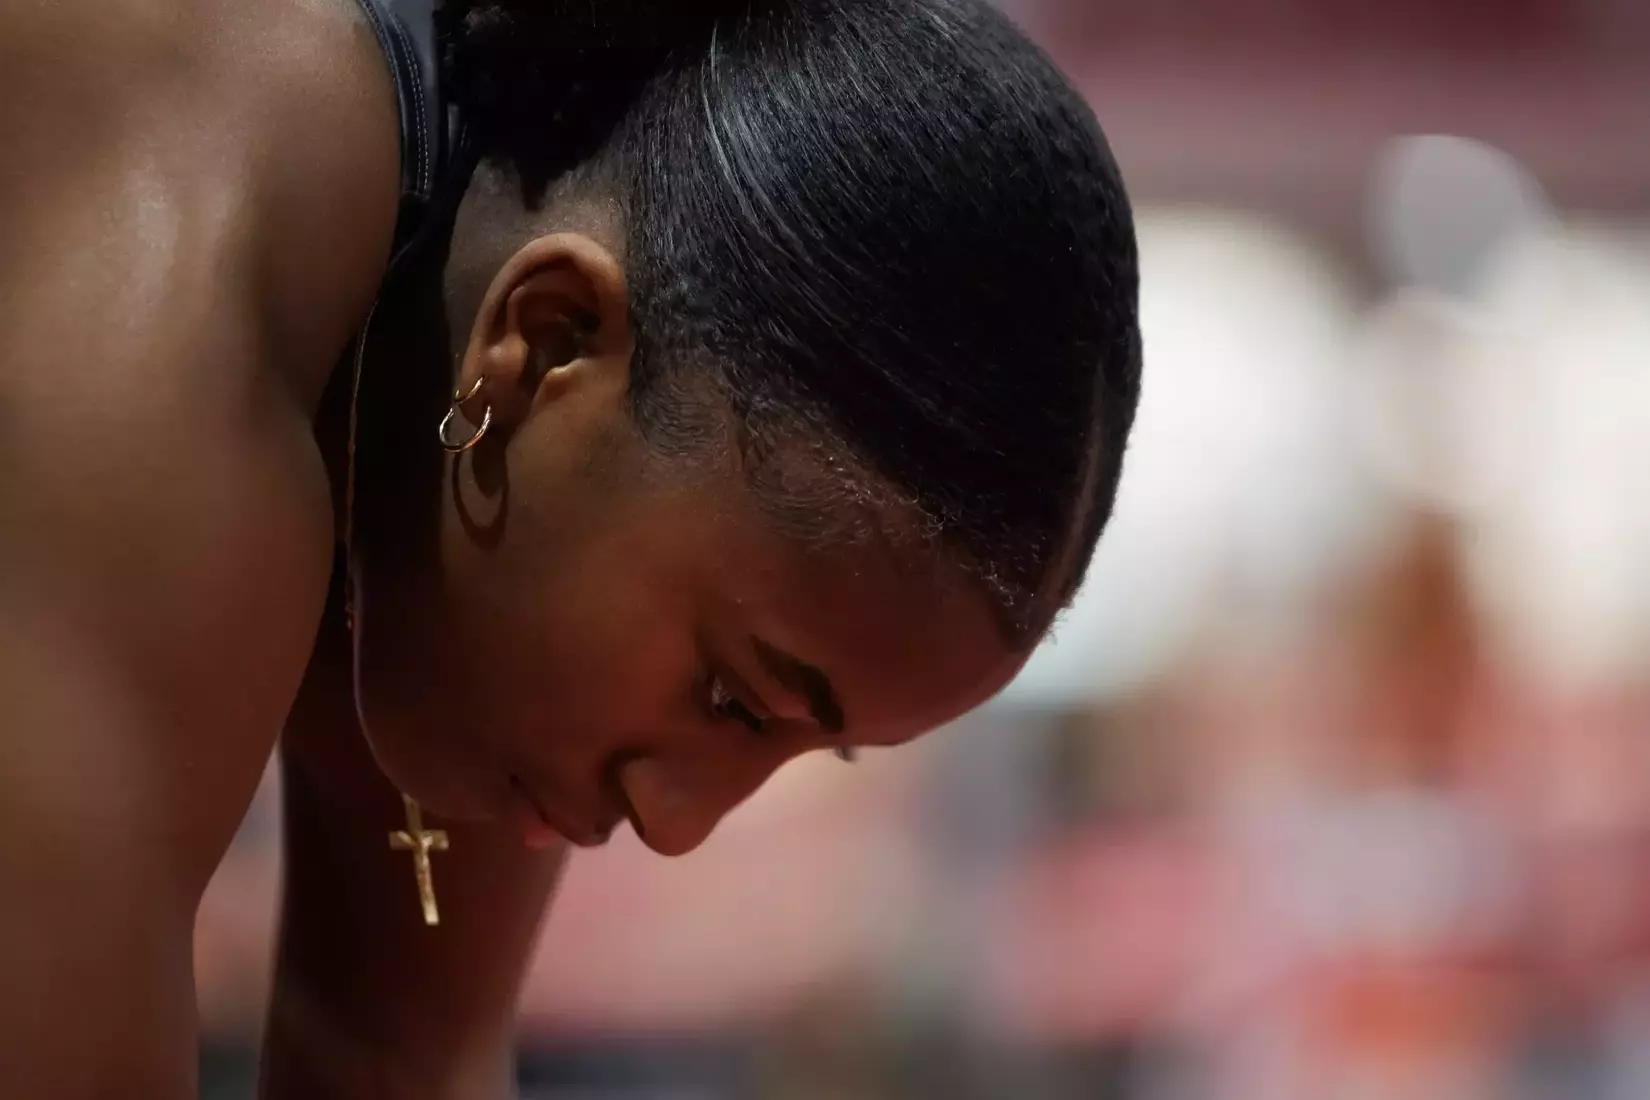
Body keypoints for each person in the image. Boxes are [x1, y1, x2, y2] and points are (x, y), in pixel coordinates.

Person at [0, 0, 1141, 1094]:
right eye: (734, 695)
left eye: (814, 750)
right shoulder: (161, 275)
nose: (679, 823)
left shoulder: (483, 440)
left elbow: (396, 1059)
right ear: (543, 342)